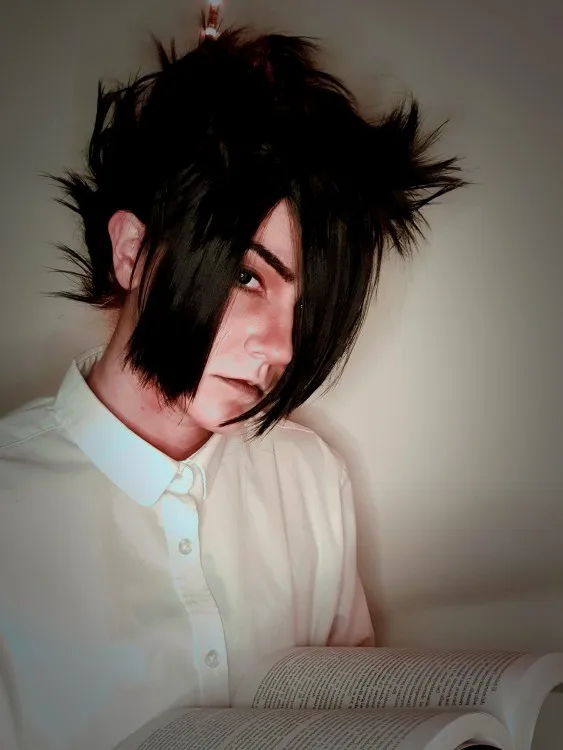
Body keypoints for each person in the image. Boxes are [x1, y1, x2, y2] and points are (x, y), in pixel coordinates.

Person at [0, 24, 464, 750]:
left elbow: (352, 716)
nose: (281, 348)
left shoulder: (310, 478)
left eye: (304, 308)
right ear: (132, 251)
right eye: (249, 277)